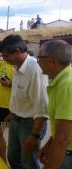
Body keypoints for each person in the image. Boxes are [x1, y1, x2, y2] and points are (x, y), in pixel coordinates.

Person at [0, 34, 49, 169]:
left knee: (29, 162)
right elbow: (18, 93)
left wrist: (35, 135)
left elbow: (43, 107)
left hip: (30, 124)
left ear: (17, 52)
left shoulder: (34, 70)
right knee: (13, 157)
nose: (4, 59)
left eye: (5, 56)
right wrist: (13, 112)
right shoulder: (17, 66)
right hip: (17, 119)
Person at [37, 40, 72, 169]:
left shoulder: (66, 85)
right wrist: (49, 145)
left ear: (50, 60)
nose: (37, 61)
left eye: (39, 58)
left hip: (68, 155)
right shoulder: (62, 79)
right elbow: (61, 127)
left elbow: (63, 139)